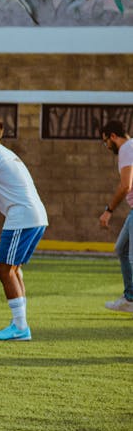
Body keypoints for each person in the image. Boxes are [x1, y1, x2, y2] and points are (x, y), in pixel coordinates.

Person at [0, 118, 48, 340]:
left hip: (22, 218)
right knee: (12, 269)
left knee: (4, 270)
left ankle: (21, 327)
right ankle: (20, 324)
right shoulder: (4, 154)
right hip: (36, 217)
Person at [98, 120, 133, 312]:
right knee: (122, 249)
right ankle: (130, 298)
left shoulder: (127, 148)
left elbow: (126, 185)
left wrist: (109, 210)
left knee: (131, 256)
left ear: (113, 136)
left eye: (106, 141)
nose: (106, 146)